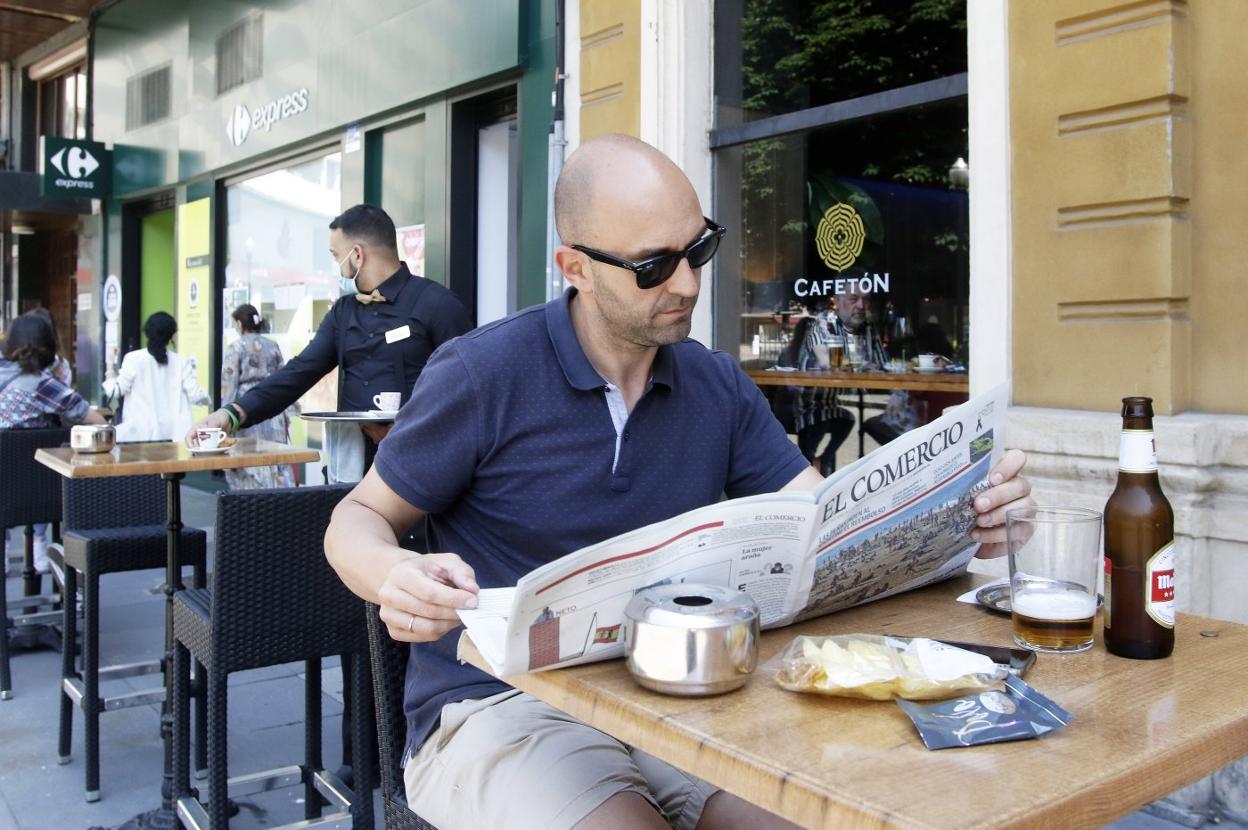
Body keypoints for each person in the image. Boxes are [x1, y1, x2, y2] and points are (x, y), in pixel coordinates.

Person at [323, 134, 1033, 830]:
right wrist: (395, 575)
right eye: (654, 266)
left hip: (680, 694)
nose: (688, 283)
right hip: (503, 704)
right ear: (575, 268)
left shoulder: (715, 383)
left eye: (698, 250)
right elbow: (355, 520)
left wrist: (962, 520)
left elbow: (824, 529)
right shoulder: (483, 374)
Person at [188, 204, 473, 478]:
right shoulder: (343, 312)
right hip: (352, 465)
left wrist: (413, 430)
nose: (337, 265)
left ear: (357, 255)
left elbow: (469, 387)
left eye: (336, 256)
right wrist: (233, 413)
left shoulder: (437, 304)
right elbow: (300, 371)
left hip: (422, 463)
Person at [0, 313, 106, 575]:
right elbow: (94, 420)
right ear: (48, 346)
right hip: (37, 492)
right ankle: (49, 554)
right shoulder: (42, 384)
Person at [220, 304, 295, 489]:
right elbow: (283, 378)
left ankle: (252, 496)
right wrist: (287, 413)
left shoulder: (236, 347)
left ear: (239, 323)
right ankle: (278, 495)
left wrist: (227, 416)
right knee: (275, 456)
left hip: (246, 406)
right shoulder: (272, 345)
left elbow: (229, 384)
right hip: (273, 406)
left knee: (248, 456)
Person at [104, 311, 210, 442]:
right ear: (171, 335)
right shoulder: (181, 362)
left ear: (147, 332)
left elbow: (115, 391)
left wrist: (110, 366)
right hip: (175, 436)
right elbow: (196, 395)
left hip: (140, 436)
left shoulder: (134, 359)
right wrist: (210, 398)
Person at [773, 313, 855, 475]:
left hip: (806, 404)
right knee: (817, 417)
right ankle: (809, 464)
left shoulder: (798, 351)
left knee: (836, 417)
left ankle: (821, 460)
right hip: (794, 407)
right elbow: (791, 386)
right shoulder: (799, 352)